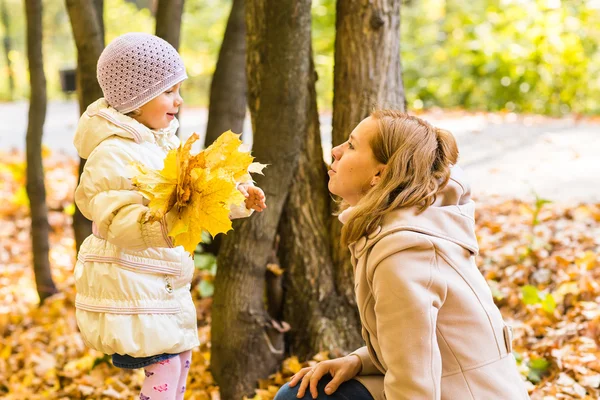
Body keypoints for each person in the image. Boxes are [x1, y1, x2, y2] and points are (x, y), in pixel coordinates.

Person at [275, 110, 529, 399]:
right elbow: (424, 344)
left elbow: (415, 385)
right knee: (304, 393)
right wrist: (358, 361)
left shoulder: (403, 253)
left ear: (379, 174)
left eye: (352, 145)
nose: (336, 150)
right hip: (449, 384)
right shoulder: (398, 227)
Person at [72, 32, 266, 400]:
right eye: (168, 92)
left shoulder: (167, 143)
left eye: (178, 90)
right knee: (165, 367)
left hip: (162, 284)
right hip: (132, 284)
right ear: (136, 99)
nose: (178, 101)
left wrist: (238, 197)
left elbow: (199, 193)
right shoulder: (111, 154)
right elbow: (116, 221)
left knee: (180, 361)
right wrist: (162, 225)